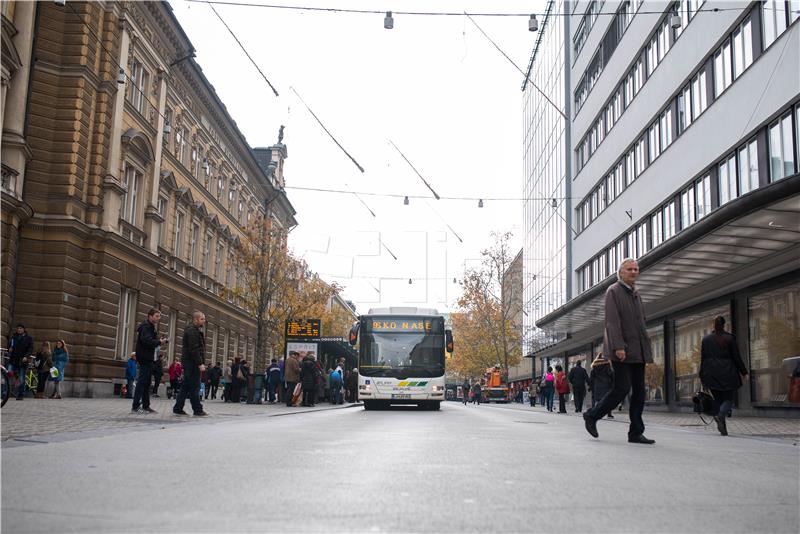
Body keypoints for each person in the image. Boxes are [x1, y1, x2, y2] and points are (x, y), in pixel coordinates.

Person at [583, 259, 655, 445]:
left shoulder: (636, 294)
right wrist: (619, 346)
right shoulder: (613, 291)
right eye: (629, 269)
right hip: (622, 350)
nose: (633, 272)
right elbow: (612, 322)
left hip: (638, 350)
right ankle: (592, 415)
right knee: (622, 388)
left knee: (639, 391)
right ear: (621, 273)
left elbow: (641, 323)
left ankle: (636, 432)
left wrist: (645, 348)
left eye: (636, 269)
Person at [700, 316, 748, 436]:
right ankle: (721, 416)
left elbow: (703, 359)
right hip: (727, 373)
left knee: (718, 400)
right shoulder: (730, 338)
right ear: (724, 325)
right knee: (728, 400)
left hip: (711, 373)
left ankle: (723, 429)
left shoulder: (706, 340)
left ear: (713, 325)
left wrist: (702, 376)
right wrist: (744, 372)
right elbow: (736, 357)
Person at [173, 311, 208, 416]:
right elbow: (194, 349)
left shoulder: (194, 330)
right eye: (202, 319)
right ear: (195, 319)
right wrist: (200, 363)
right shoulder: (192, 331)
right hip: (192, 364)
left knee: (186, 386)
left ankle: (178, 408)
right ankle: (197, 409)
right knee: (194, 386)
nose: (204, 321)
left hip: (189, 363)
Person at [132, 309, 167, 414]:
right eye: (156, 316)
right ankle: (136, 406)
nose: (158, 318)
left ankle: (146, 406)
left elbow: (149, 340)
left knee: (147, 383)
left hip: (148, 358)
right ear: (150, 316)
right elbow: (146, 341)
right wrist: (159, 342)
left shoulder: (150, 326)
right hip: (145, 357)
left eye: (159, 316)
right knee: (142, 382)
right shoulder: (146, 326)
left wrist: (158, 341)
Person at [7, 324, 34, 400]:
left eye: (20, 328)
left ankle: (21, 394)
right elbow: (9, 346)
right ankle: (4, 393)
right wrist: (9, 348)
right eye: (18, 328)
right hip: (13, 360)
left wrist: (26, 356)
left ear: (24, 329)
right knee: (7, 374)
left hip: (22, 361)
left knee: (22, 378)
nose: (19, 329)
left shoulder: (29, 338)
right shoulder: (13, 337)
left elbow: (30, 349)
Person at [589, 355, 614, 419]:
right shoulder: (607, 366)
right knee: (608, 400)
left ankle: (597, 413)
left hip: (597, 385)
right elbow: (611, 374)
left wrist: (591, 386)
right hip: (607, 385)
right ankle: (609, 414)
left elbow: (591, 378)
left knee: (598, 400)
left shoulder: (594, 368)